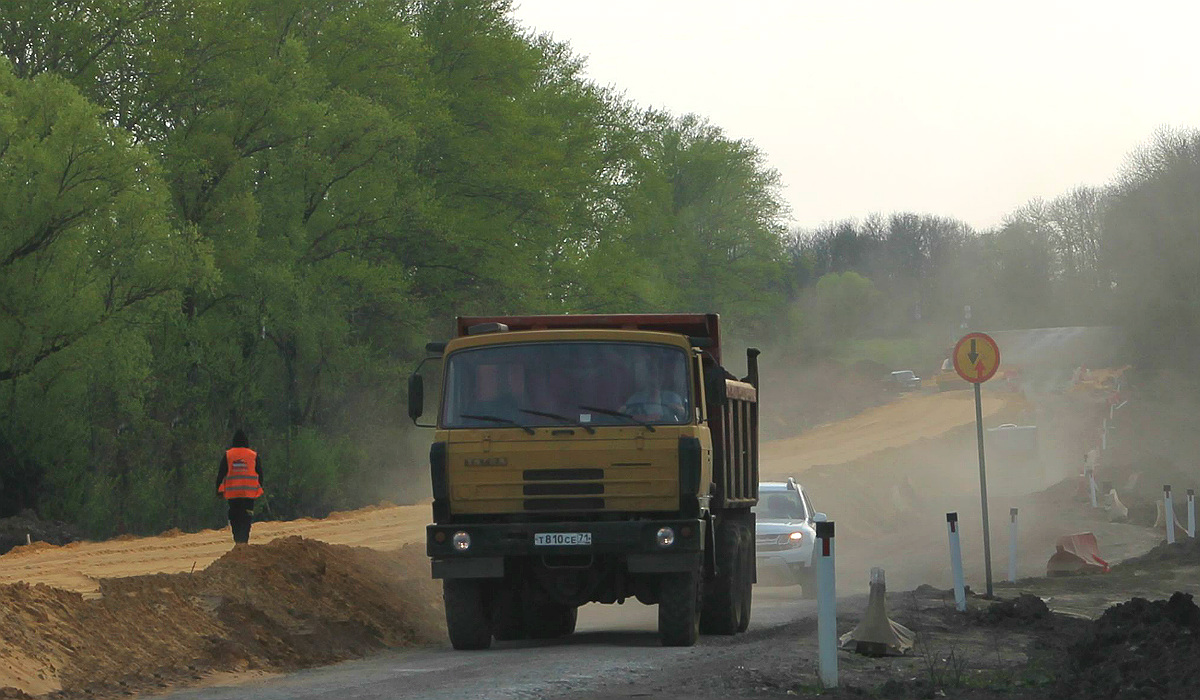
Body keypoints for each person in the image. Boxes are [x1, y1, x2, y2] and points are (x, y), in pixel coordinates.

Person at [216, 429, 263, 544]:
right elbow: (260, 474)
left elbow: (221, 473)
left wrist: (218, 490)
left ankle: (238, 541)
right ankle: (244, 542)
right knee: (246, 518)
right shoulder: (253, 455)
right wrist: (259, 488)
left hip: (233, 495)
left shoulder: (228, 455)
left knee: (235, 517)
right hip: (249, 495)